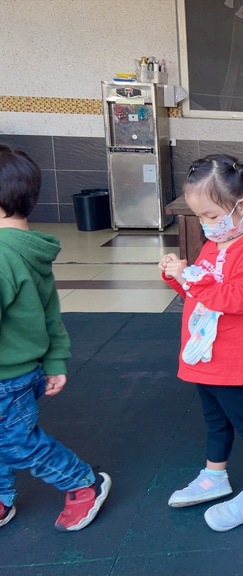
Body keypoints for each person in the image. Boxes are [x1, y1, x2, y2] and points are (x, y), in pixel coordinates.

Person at [159, 155, 243, 532]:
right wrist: (177, 277)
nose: (207, 225)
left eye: (211, 215)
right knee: (215, 419)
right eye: (200, 217)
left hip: (231, 357)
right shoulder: (217, 241)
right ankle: (214, 476)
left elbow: (239, 299)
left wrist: (191, 279)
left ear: (241, 206)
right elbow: (200, 295)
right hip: (204, 354)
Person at [0, 144, 112, 532]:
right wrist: (54, 361)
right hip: (23, 371)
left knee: (16, 443)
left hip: (7, 378)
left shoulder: (2, 255)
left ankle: (82, 482)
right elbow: (49, 312)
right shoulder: (28, 248)